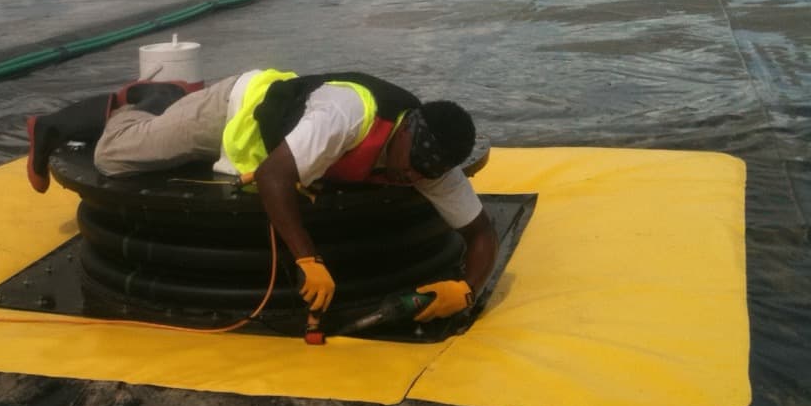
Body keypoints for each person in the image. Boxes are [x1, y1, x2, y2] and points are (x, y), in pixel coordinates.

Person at [26, 69, 498, 324]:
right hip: (237, 109)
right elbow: (274, 179)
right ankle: (148, 98)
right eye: (410, 163)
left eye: (424, 173)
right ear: (403, 130)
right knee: (115, 155)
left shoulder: (426, 160)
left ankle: (164, 102)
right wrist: (309, 260)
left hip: (277, 134)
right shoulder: (347, 115)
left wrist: (466, 290)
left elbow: (479, 233)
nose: (411, 176)